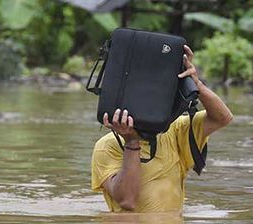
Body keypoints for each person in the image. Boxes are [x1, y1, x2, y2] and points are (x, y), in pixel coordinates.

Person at [91, 45, 233, 213]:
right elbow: (127, 201)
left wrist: (196, 84)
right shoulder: (107, 146)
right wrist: (131, 141)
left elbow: (223, 118)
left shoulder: (175, 131)